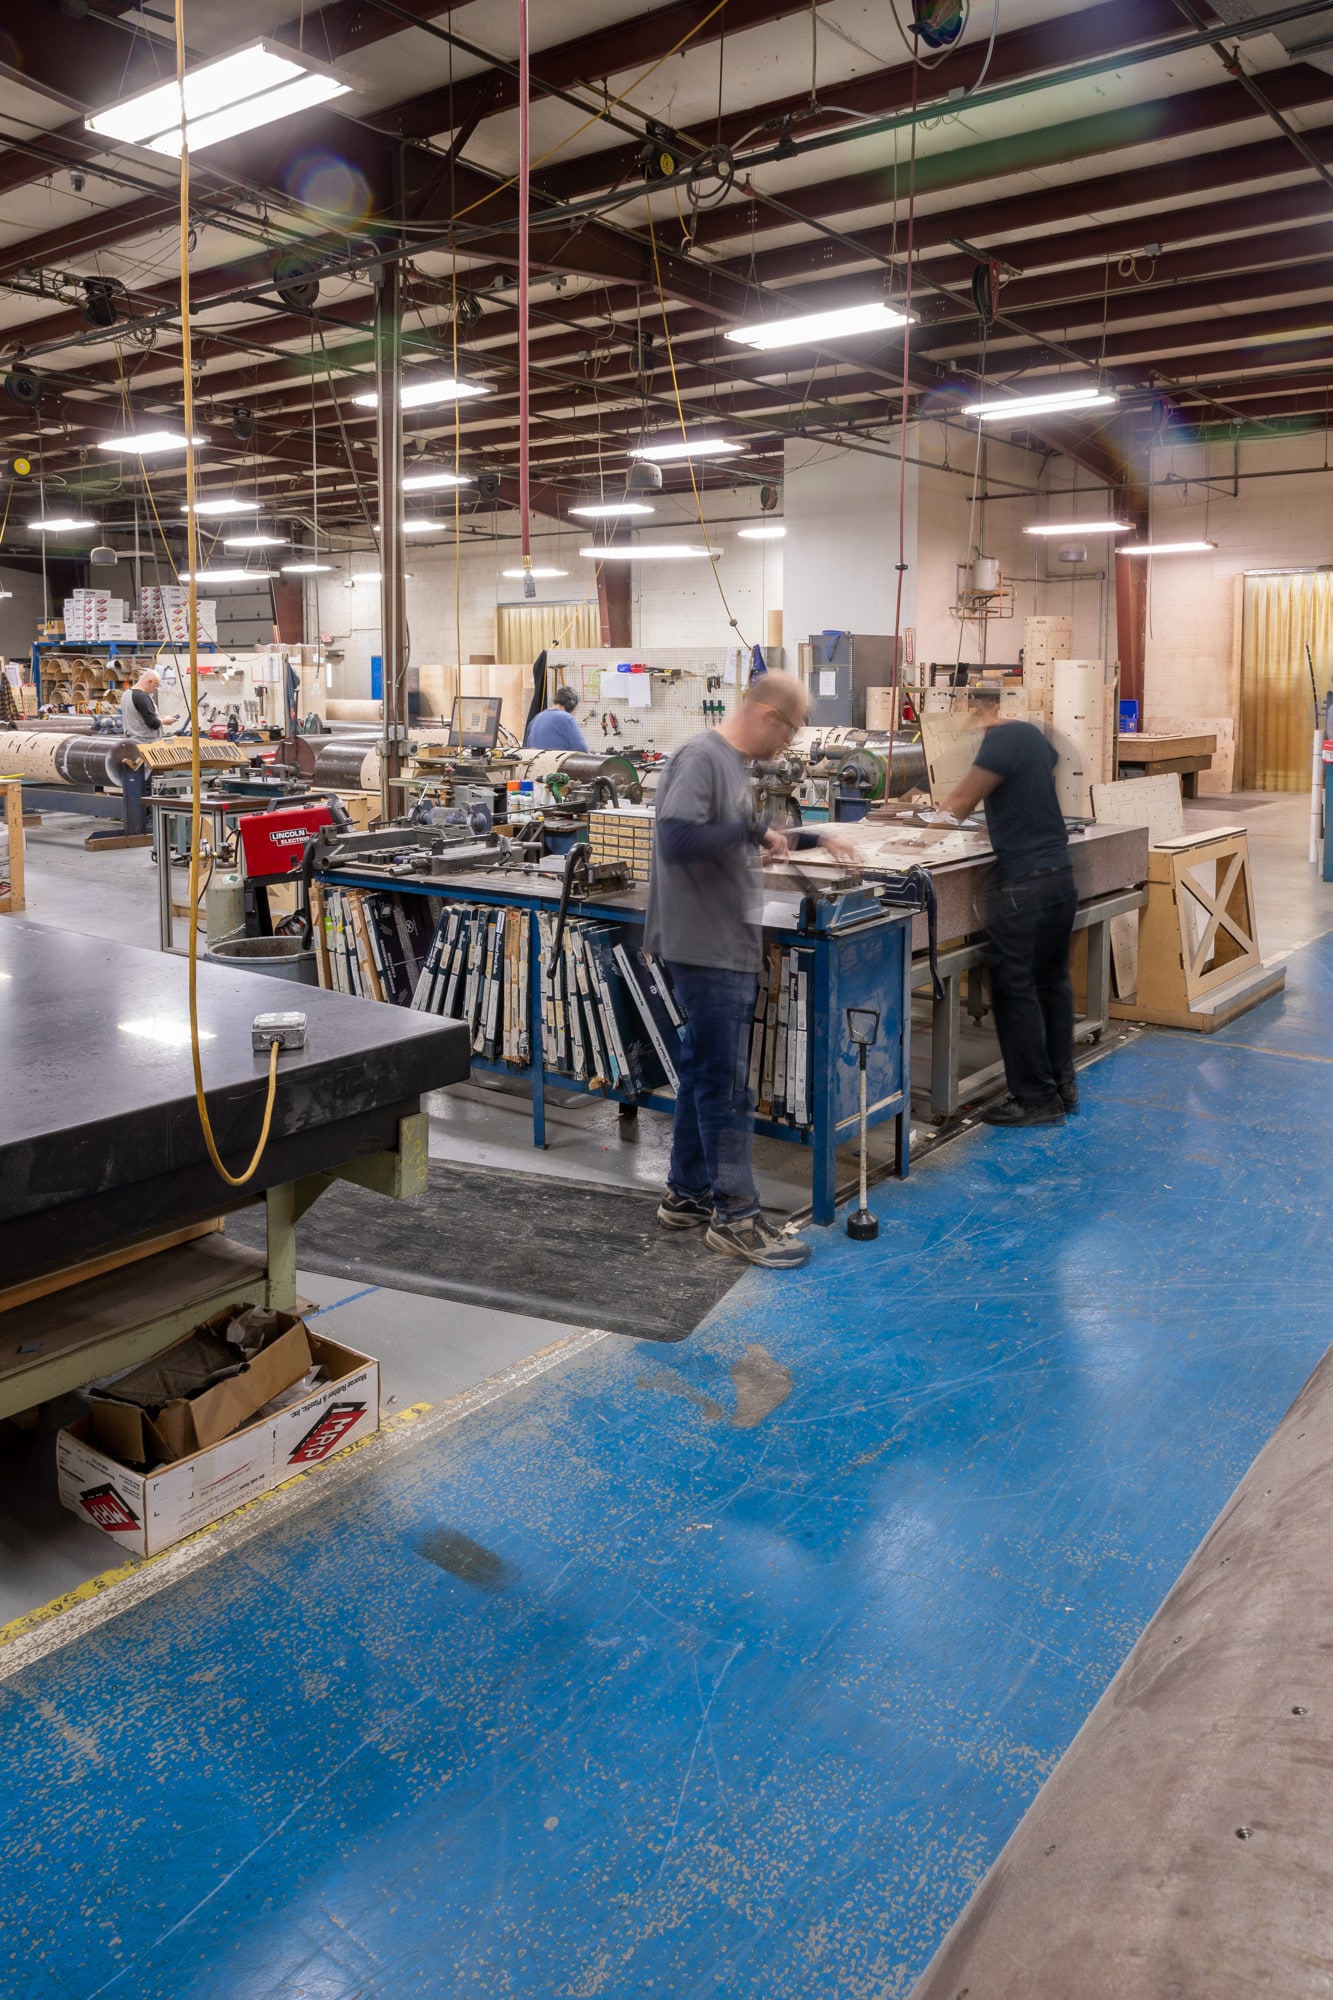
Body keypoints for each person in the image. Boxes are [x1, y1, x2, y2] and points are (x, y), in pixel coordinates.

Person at [645, 672, 857, 1269]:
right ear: (768, 716)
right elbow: (678, 838)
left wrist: (810, 835)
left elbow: (732, 835)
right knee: (726, 1083)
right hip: (704, 943)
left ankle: (686, 1196)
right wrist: (748, 829)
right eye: (791, 730)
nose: (790, 745)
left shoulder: (732, 766)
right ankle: (735, 1217)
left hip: (719, 938)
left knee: (704, 1073)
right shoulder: (703, 757)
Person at [929, 695, 1077, 1128]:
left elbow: (959, 802)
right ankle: (1061, 1086)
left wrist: (913, 844)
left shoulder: (1002, 737)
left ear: (981, 711)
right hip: (1059, 877)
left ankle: (1035, 1099)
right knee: (1052, 981)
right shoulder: (1030, 736)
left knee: (1014, 986)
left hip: (1023, 883)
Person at [524, 684, 587, 751]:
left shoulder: (536, 718)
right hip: (557, 761)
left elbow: (526, 746)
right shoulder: (566, 719)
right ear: (571, 705)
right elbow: (581, 749)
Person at [119, 668, 164, 741]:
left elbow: (138, 717)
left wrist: (158, 717)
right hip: (145, 742)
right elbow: (153, 723)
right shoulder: (142, 697)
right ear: (150, 681)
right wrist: (165, 720)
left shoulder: (126, 694)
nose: (156, 689)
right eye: (156, 685)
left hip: (132, 740)